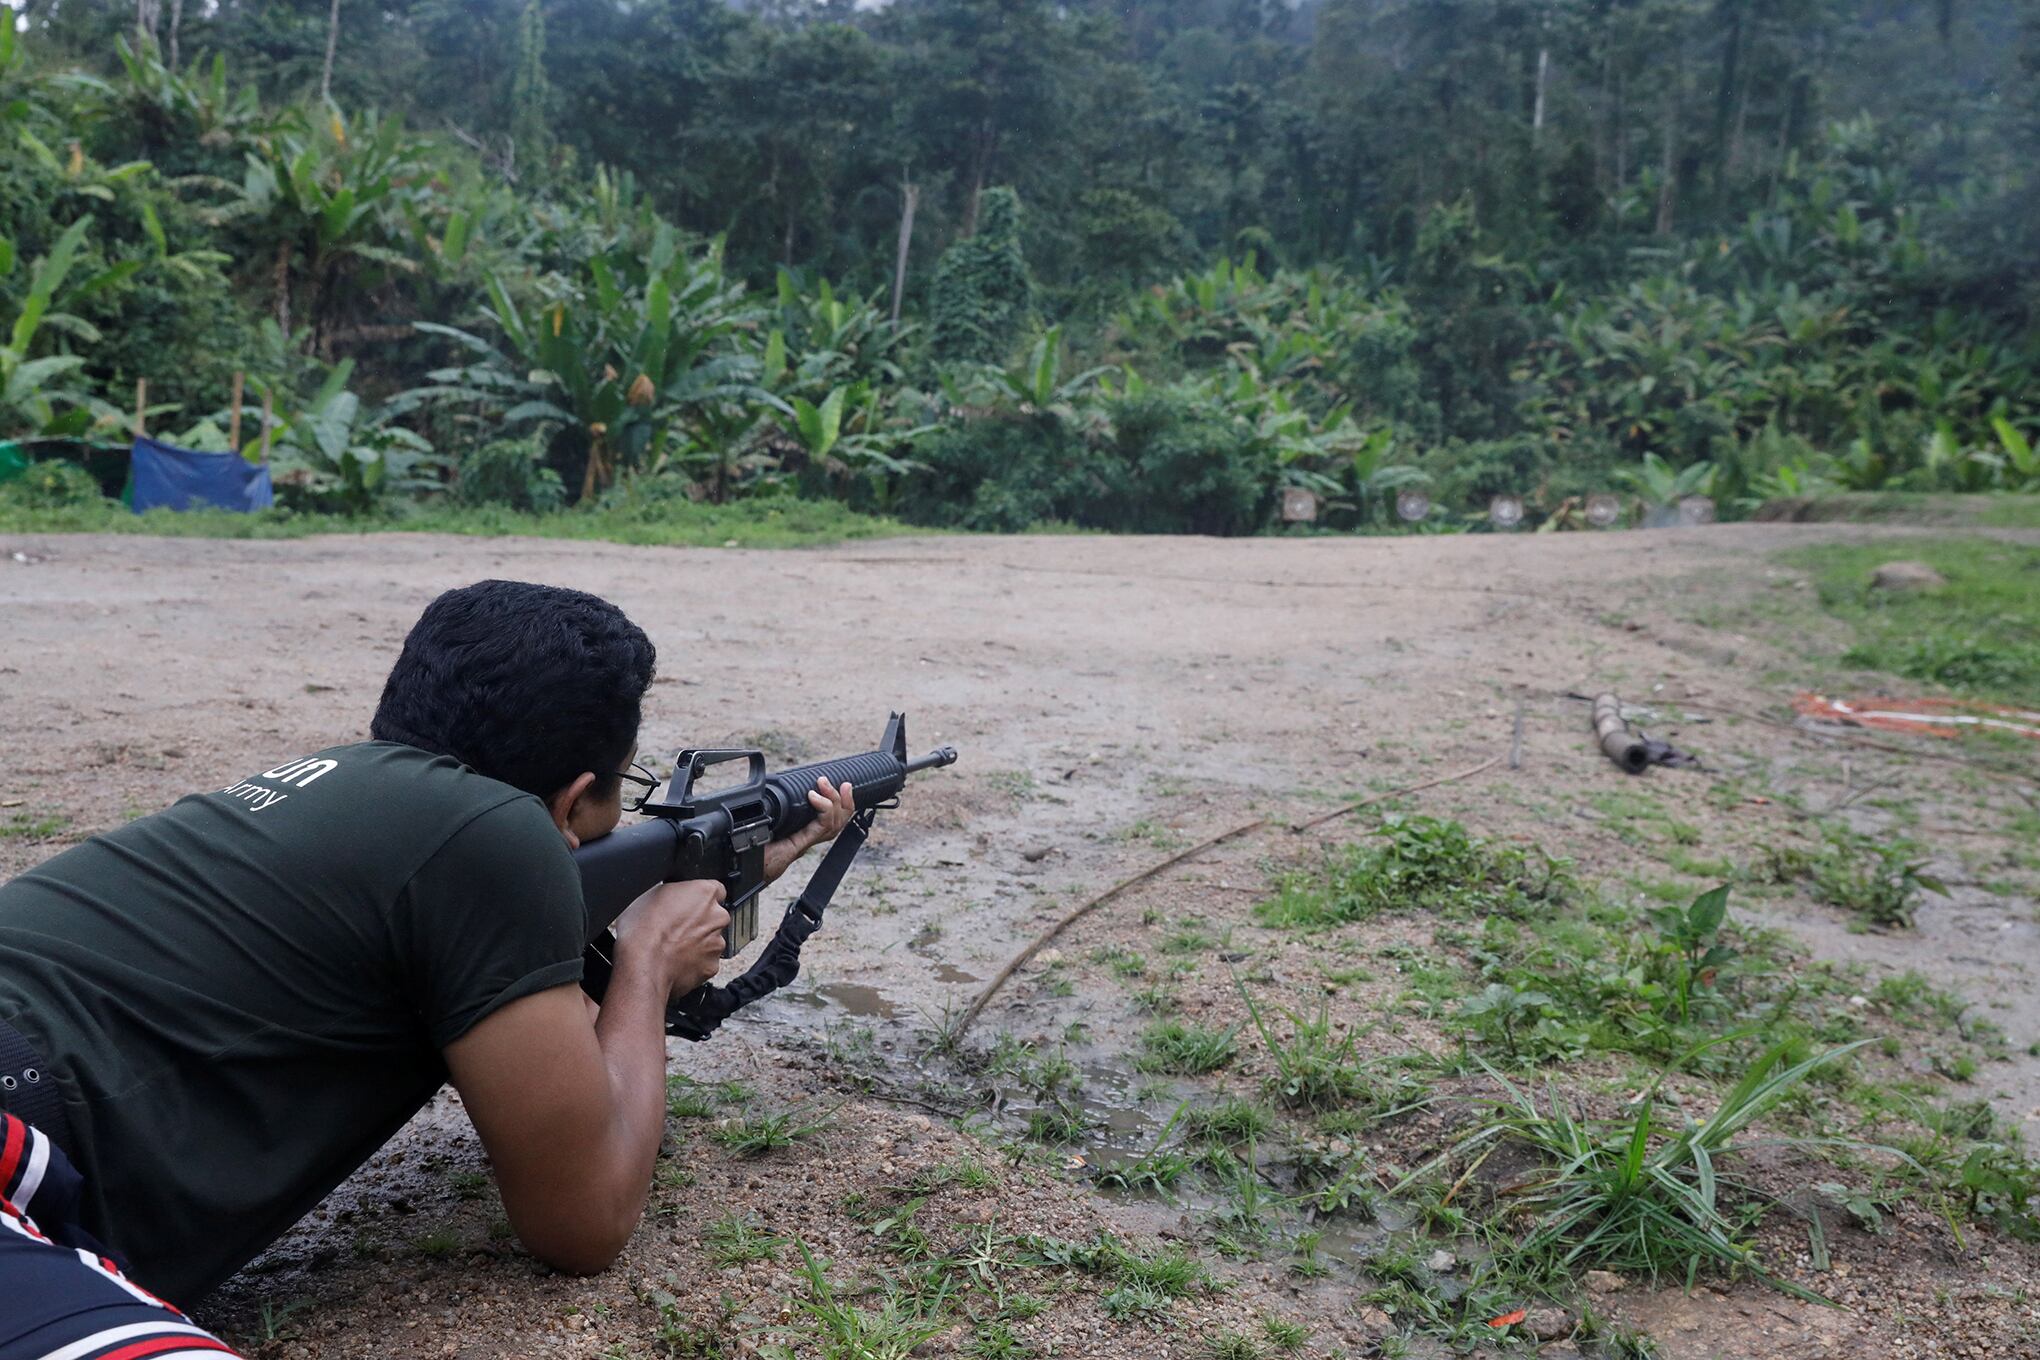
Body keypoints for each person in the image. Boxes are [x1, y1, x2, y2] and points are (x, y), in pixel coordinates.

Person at [0, 580, 854, 1352]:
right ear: (569, 800)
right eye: (616, 798)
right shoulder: (499, 835)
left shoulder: (335, 779)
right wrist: (647, 962)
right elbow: (584, 1219)